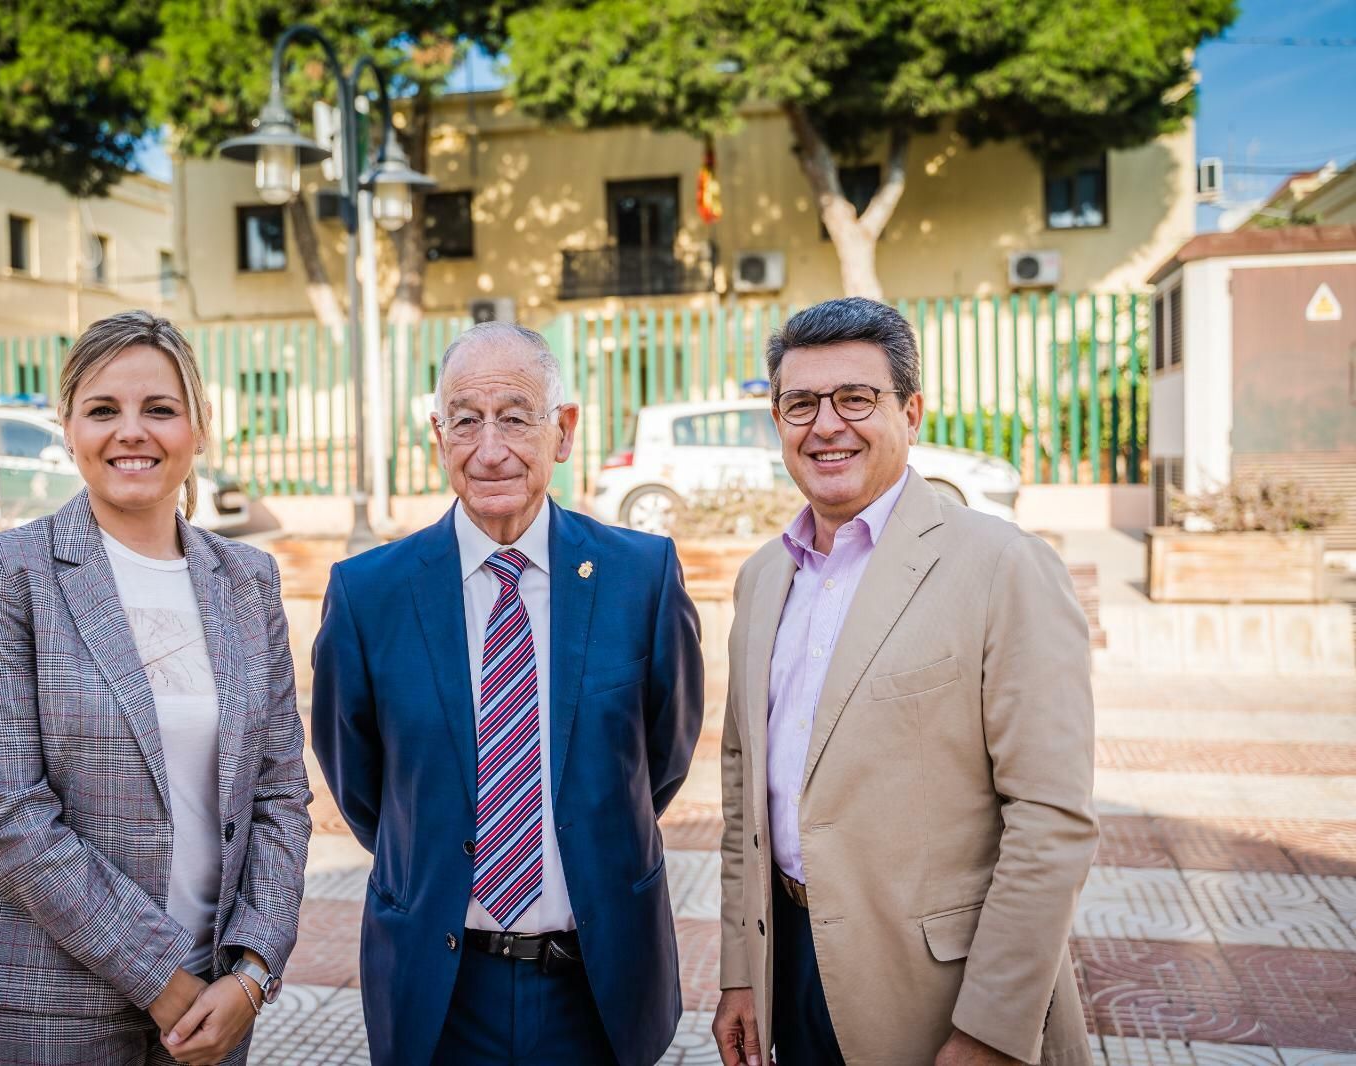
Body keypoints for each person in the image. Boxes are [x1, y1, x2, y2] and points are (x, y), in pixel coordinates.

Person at [712, 298, 1097, 1066]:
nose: (826, 425)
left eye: (857, 398)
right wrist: (739, 976)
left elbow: (1051, 820)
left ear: (911, 411)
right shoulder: (762, 578)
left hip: (941, 998)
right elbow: (740, 790)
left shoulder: (1002, 566)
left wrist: (989, 1029)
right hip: (791, 972)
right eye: (800, 403)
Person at [312, 321, 704, 1066]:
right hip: (438, 991)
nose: (490, 448)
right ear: (438, 435)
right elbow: (362, 787)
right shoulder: (368, 595)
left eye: (517, 417)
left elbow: (663, 757)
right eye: (466, 420)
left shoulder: (641, 578)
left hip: (598, 986)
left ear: (564, 431)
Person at [0, 310, 313, 1065]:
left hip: (215, 1005)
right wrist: (159, 978)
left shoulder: (247, 581)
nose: (131, 431)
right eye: (103, 410)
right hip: (47, 1005)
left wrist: (252, 971)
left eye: (160, 410)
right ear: (67, 428)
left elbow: (280, 795)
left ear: (198, 428)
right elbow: (3, 812)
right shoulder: (8, 573)